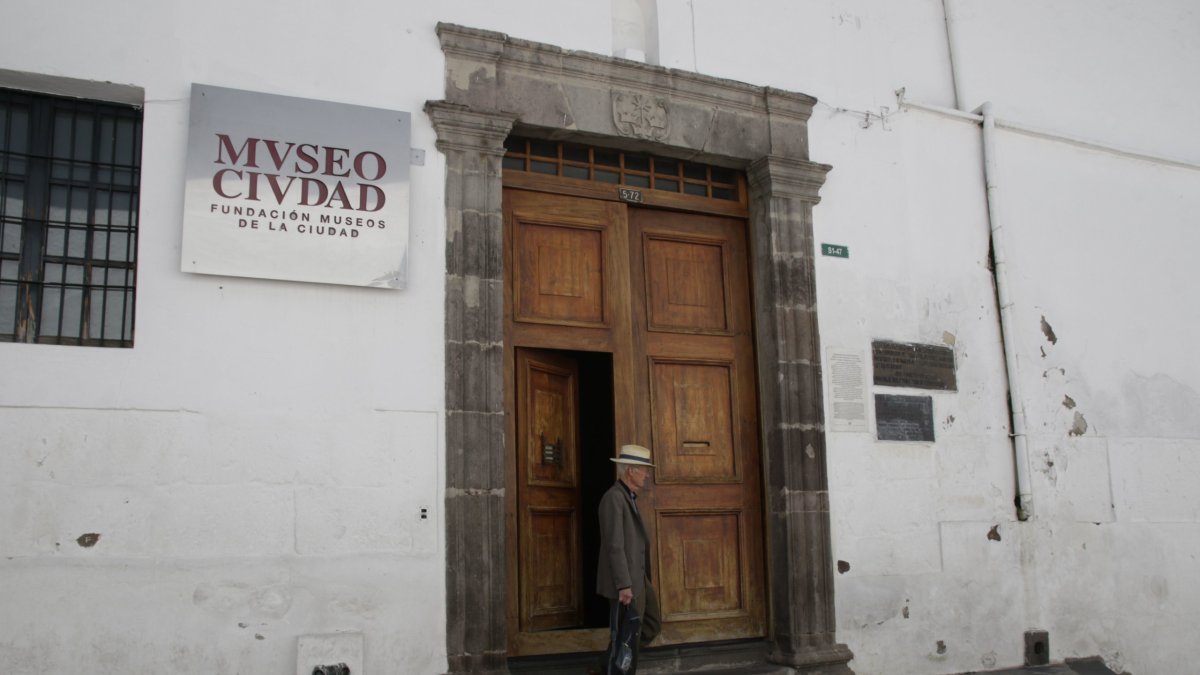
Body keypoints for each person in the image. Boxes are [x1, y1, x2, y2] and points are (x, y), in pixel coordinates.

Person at [596, 443, 661, 674]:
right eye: (644, 469)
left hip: (637, 577)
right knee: (627, 635)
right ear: (631, 471)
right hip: (625, 583)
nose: (647, 475)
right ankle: (617, 669)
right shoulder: (613, 498)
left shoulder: (629, 498)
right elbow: (614, 546)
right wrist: (623, 584)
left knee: (650, 625)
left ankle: (607, 665)